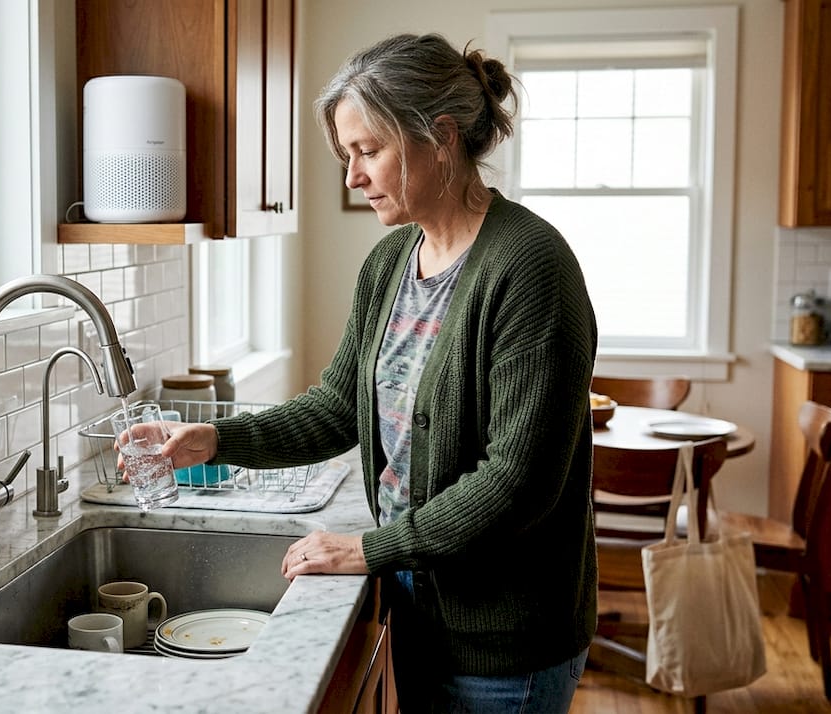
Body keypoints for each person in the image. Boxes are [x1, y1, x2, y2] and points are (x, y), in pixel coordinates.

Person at [128, 33, 598, 712]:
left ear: (440, 137)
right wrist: (214, 441)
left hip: (504, 637)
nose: (351, 176)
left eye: (367, 151)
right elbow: (336, 406)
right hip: (419, 601)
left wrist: (372, 548)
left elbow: (518, 484)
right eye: (348, 155)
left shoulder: (530, 268)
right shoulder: (390, 265)